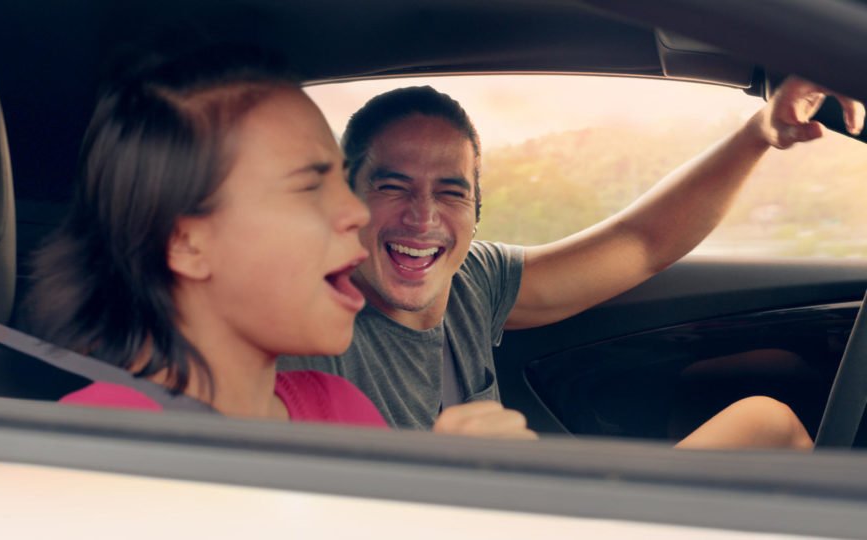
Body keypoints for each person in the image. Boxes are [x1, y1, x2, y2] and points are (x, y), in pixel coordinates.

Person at [280, 77, 865, 448]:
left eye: (451, 192)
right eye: (393, 186)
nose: (422, 217)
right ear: (345, 201)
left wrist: (759, 133)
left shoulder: (471, 278)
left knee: (766, 422)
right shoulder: (302, 325)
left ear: (475, 212)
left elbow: (642, 243)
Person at [26, 46, 385, 427]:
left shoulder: (345, 410)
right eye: (310, 186)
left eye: (343, 179)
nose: (359, 213)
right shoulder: (92, 441)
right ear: (185, 243)